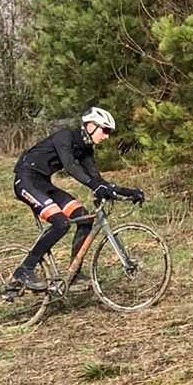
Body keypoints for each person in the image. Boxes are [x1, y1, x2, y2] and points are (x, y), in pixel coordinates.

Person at [11, 106, 143, 291]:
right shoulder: (65, 136)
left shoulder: (86, 149)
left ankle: (74, 274)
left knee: (84, 217)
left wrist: (127, 192)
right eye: (105, 130)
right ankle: (24, 269)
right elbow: (70, 166)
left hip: (43, 184)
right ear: (90, 126)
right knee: (61, 223)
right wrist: (95, 186)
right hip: (25, 181)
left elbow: (97, 179)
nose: (106, 136)